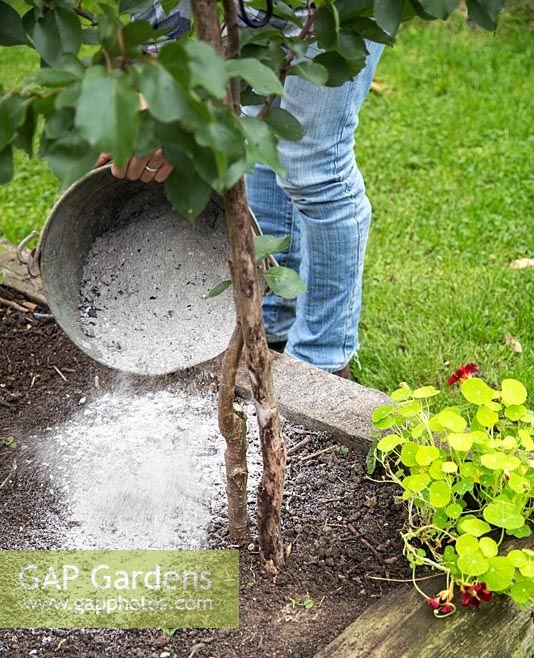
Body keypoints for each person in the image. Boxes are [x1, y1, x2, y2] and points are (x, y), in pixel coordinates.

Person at [99, 2, 383, 379]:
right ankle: (270, 319)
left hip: (326, 7)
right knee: (260, 131)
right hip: (251, 12)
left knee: (315, 163)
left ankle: (325, 360)